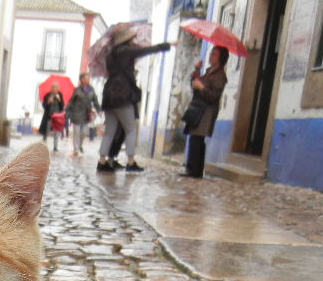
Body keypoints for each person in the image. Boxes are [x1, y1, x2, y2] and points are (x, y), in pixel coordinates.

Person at [96, 25, 171, 173]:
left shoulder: (110, 54)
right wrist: (165, 46)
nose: (134, 41)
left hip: (109, 94)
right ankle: (130, 161)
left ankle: (102, 161)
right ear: (127, 40)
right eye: (132, 38)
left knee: (110, 131)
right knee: (130, 129)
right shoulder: (126, 51)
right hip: (122, 94)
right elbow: (146, 50)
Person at [182, 45, 229, 178]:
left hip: (206, 110)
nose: (211, 55)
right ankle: (194, 170)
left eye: (214, 54)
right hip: (198, 107)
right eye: (211, 53)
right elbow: (195, 83)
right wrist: (196, 70)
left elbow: (214, 97)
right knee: (195, 138)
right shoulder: (208, 71)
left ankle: (194, 170)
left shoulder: (220, 76)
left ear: (221, 58)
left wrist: (202, 87)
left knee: (197, 138)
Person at [65, 72, 100, 156]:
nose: (88, 80)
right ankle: (76, 149)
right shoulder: (77, 89)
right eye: (87, 78)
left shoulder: (91, 89)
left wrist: (98, 109)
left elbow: (95, 100)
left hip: (86, 114)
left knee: (84, 132)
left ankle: (80, 145)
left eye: (89, 78)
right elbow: (71, 101)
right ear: (82, 80)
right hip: (77, 113)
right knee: (76, 132)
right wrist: (66, 109)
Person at [38, 83, 65, 151]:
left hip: (57, 117)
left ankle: (55, 147)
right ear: (51, 89)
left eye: (56, 88)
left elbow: (62, 106)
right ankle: (43, 144)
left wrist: (59, 100)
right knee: (46, 131)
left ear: (58, 89)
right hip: (49, 116)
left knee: (56, 132)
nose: (55, 89)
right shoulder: (47, 95)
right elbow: (44, 106)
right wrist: (48, 102)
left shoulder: (60, 95)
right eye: (53, 88)